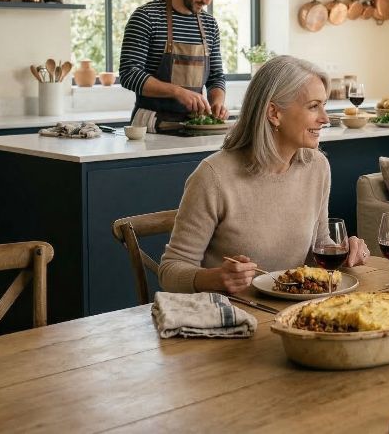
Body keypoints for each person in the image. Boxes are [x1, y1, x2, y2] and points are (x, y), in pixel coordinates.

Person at [158, 55, 370, 294]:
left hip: (296, 309)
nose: (325, 118)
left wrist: (344, 252)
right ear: (274, 113)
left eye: (323, 105)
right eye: (313, 106)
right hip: (233, 311)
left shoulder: (316, 166)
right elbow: (170, 270)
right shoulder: (213, 176)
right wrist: (214, 279)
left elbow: (319, 244)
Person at [119, 0, 229, 133]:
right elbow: (129, 74)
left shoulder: (209, 24)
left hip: (195, 128)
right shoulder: (146, 17)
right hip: (150, 127)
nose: (207, 1)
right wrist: (177, 92)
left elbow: (216, 77)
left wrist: (217, 102)